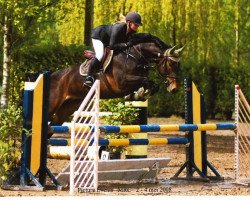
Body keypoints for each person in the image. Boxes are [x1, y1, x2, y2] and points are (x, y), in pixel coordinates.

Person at [84, 11, 143, 87]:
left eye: (138, 25)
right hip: (98, 36)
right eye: (136, 24)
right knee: (100, 54)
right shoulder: (119, 28)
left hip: (107, 40)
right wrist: (125, 45)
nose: (137, 27)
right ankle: (89, 77)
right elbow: (112, 46)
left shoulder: (131, 31)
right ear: (129, 23)